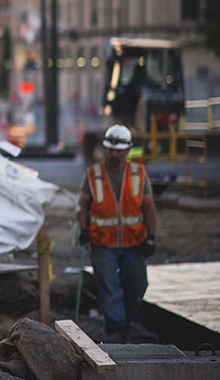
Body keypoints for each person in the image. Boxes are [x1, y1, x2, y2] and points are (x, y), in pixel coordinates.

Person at [77, 124, 157, 341]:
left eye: (118, 150)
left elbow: (148, 207)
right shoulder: (93, 175)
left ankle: (126, 320)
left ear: (127, 150)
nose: (113, 154)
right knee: (110, 287)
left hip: (134, 242)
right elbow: (83, 205)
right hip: (103, 244)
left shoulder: (139, 174)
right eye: (110, 149)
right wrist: (83, 230)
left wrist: (151, 237)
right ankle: (116, 329)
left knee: (138, 284)